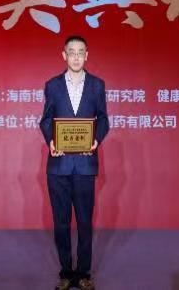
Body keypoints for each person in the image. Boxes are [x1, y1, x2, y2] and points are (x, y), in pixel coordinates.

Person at [40, 35, 110, 290]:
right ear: (64, 55)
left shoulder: (97, 85)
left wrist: (95, 140)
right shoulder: (52, 85)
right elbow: (46, 120)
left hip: (85, 164)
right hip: (58, 166)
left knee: (84, 222)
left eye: (81, 52)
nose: (77, 57)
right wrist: (51, 141)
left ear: (87, 55)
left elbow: (103, 119)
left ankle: (83, 274)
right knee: (61, 223)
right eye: (72, 52)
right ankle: (66, 273)